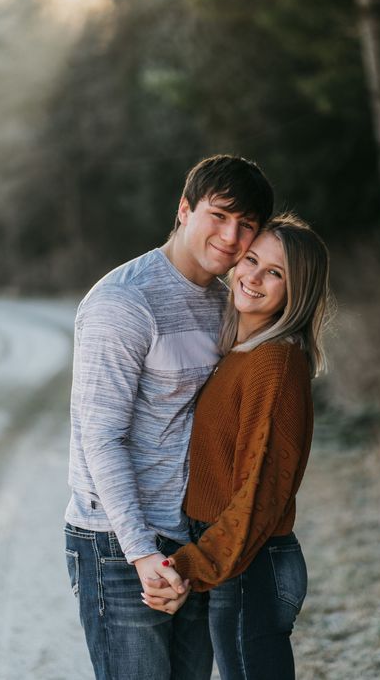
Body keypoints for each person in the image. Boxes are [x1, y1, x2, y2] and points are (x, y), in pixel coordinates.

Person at [63, 154, 274, 680]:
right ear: (184, 209)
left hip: (190, 539)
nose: (231, 236)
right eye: (219, 215)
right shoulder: (123, 302)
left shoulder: (225, 303)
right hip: (118, 541)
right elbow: (101, 438)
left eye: (246, 225)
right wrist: (140, 553)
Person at [143, 213, 330, 679]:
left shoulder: (274, 362)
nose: (253, 277)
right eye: (251, 260)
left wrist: (191, 565)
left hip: (251, 565)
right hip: (236, 560)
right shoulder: (238, 353)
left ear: (297, 291)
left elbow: (259, 495)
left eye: (275, 273)